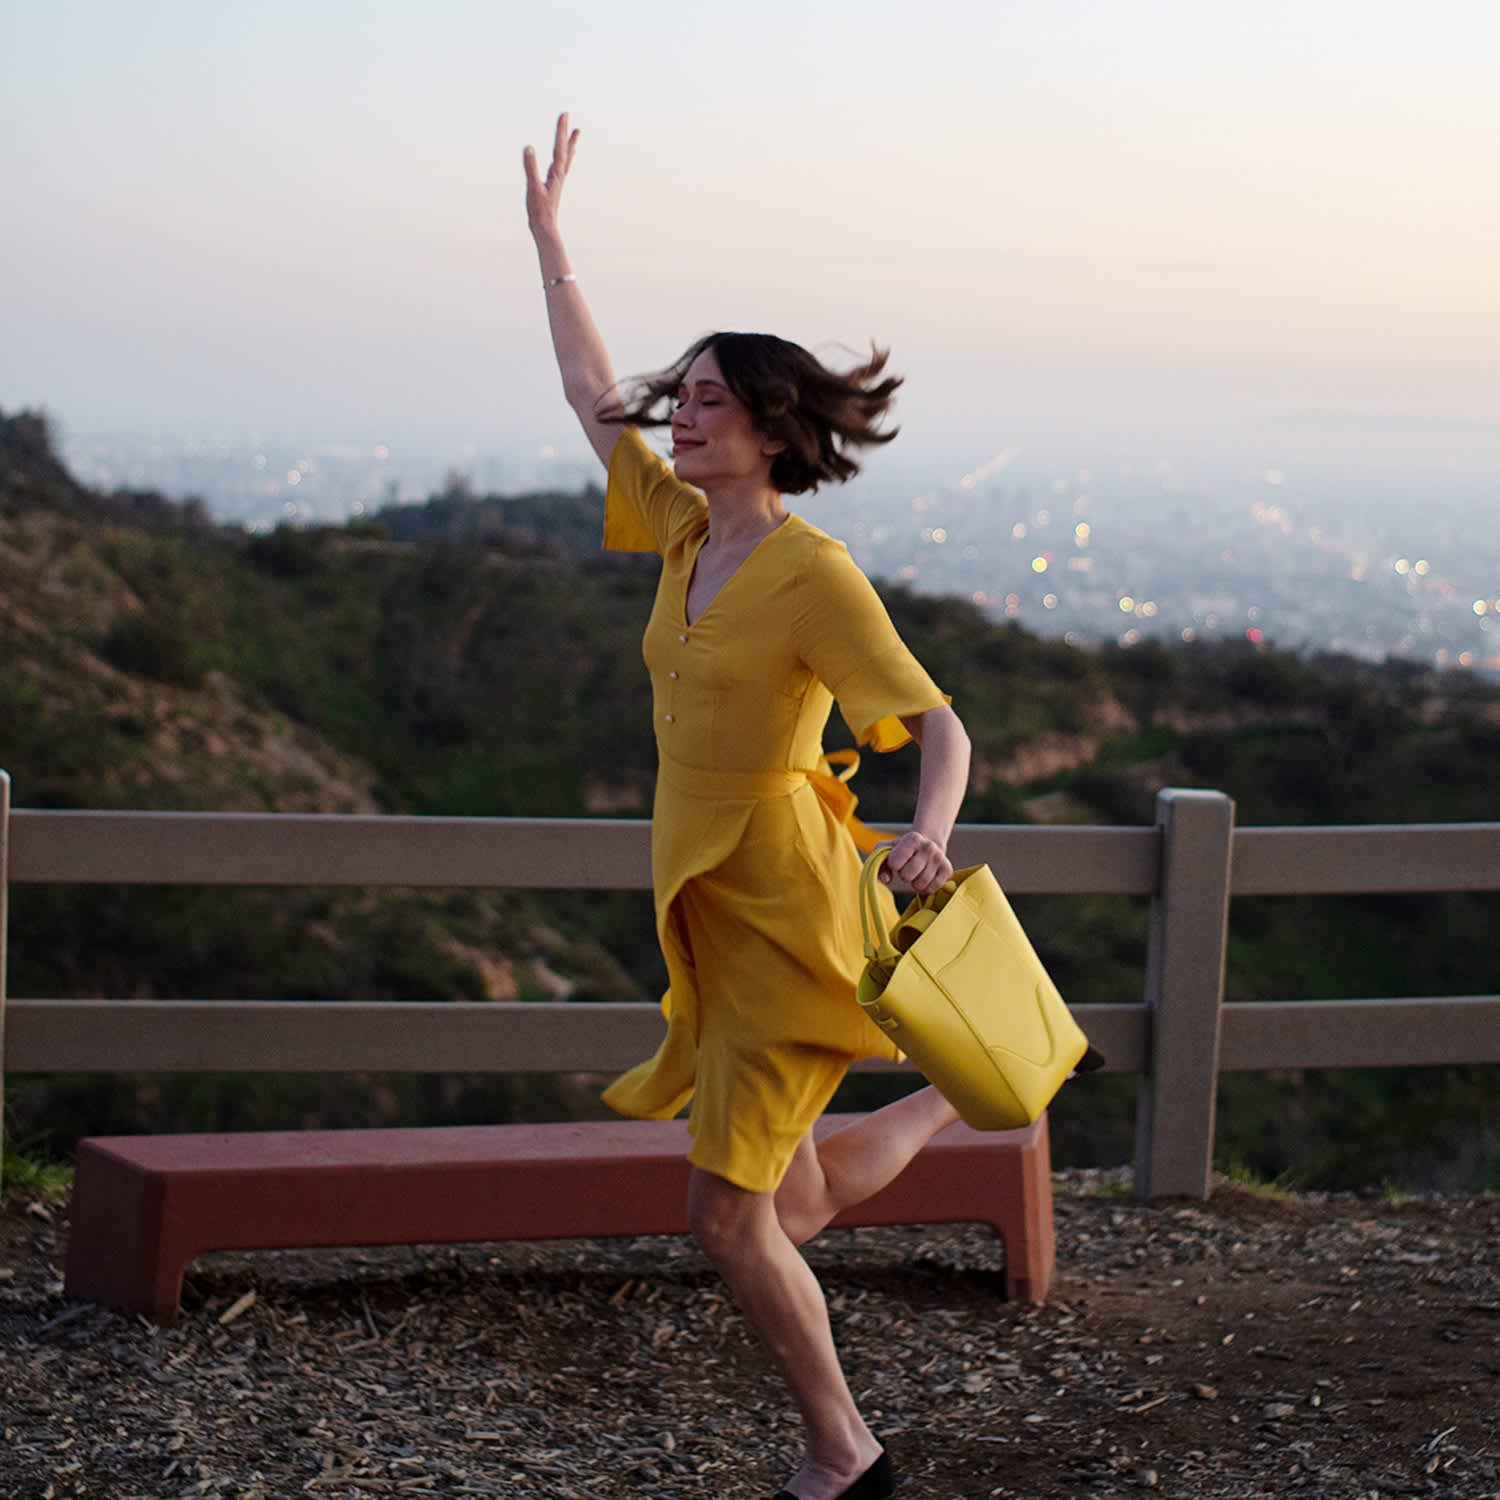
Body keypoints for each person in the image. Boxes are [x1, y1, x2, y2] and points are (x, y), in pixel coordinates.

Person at [523, 113, 972, 1500]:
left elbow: (938, 722)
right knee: (790, 1199)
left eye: (714, 395)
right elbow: (590, 389)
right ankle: (950, 1104)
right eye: (690, 391)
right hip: (708, 909)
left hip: (784, 907)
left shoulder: (811, 571)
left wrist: (931, 829)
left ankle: (845, 1456)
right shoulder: (681, 532)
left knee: (727, 1219)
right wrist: (552, 247)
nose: (687, 408)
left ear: (774, 428)